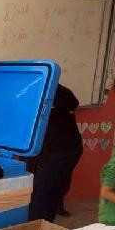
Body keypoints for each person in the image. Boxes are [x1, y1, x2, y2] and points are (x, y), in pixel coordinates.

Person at [28, 84, 83, 222]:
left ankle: (39, 223)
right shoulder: (58, 96)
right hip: (62, 151)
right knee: (52, 187)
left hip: (57, 152)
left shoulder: (50, 100)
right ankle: (48, 214)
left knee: (43, 192)